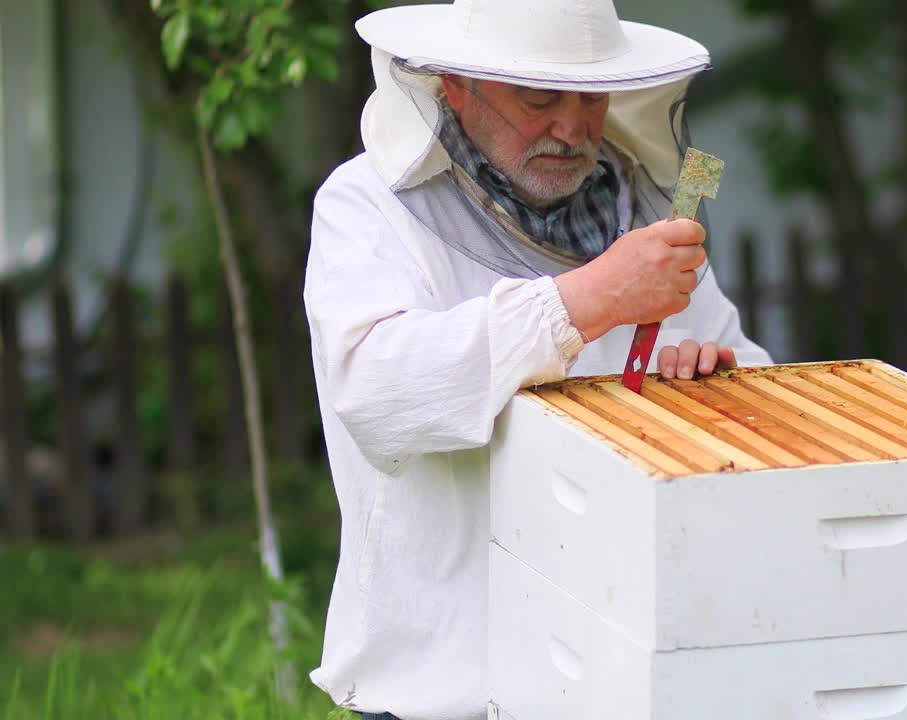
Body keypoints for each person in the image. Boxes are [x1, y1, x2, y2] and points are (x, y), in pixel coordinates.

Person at [303, 1, 770, 718]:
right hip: (442, 687)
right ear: (456, 84)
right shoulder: (367, 205)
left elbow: (757, 386)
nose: (573, 127)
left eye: (590, 96)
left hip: (616, 678)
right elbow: (378, 394)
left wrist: (715, 383)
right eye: (539, 96)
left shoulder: (647, 213)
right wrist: (586, 300)